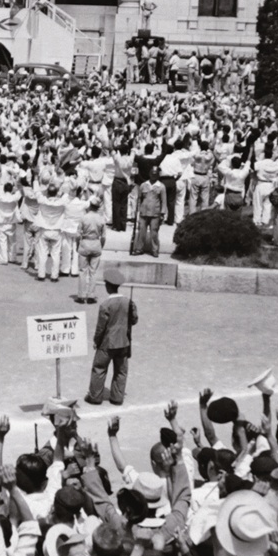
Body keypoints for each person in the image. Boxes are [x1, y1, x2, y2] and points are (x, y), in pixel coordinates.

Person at [84, 268, 137, 406]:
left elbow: (100, 328)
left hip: (107, 344)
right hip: (124, 343)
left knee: (99, 368)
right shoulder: (128, 302)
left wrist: (96, 341)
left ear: (108, 286)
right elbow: (134, 320)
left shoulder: (105, 305)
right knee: (121, 371)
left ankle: (95, 397)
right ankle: (117, 398)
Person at [131, 168, 165, 258]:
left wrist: (162, 214)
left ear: (158, 175)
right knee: (142, 232)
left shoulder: (161, 186)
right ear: (149, 174)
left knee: (154, 233)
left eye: (155, 174)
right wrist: (138, 210)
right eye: (152, 174)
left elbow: (164, 201)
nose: (153, 176)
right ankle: (139, 249)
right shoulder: (143, 185)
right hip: (144, 212)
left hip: (155, 213)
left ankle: (155, 250)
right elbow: (140, 199)